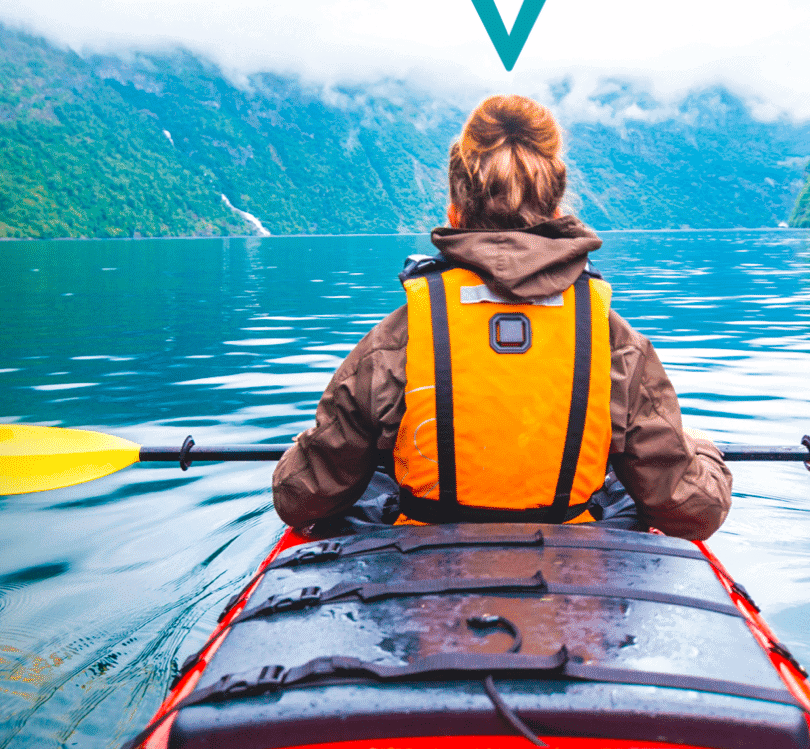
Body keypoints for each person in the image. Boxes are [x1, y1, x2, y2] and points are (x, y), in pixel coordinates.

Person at [272, 94, 731, 539]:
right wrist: (702, 448)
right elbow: (692, 511)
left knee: (374, 475)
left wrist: (306, 449)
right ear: (554, 211)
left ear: (455, 212)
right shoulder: (614, 341)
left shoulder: (399, 339)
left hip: (428, 572)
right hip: (569, 575)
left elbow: (301, 501)